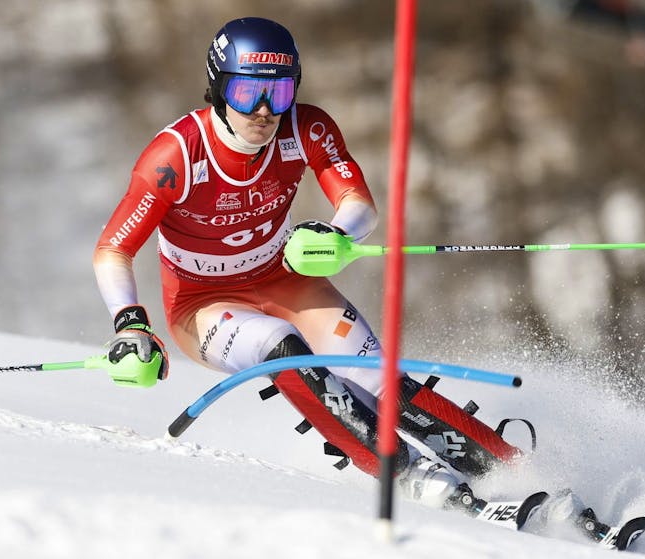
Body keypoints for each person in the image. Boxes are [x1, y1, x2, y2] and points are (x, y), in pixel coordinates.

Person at [92, 16, 528, 512]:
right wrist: (129, 324)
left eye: (278, 95)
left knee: (378, 381)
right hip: (202, 304)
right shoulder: (175, 156)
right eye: (245, 93)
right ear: (217, 90)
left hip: (285, 281)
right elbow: (113, 250)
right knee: (283, 349)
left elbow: (359, 203)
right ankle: (406, 474)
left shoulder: (307, 127)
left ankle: (510, 469)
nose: (263, 112)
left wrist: (338, 234)